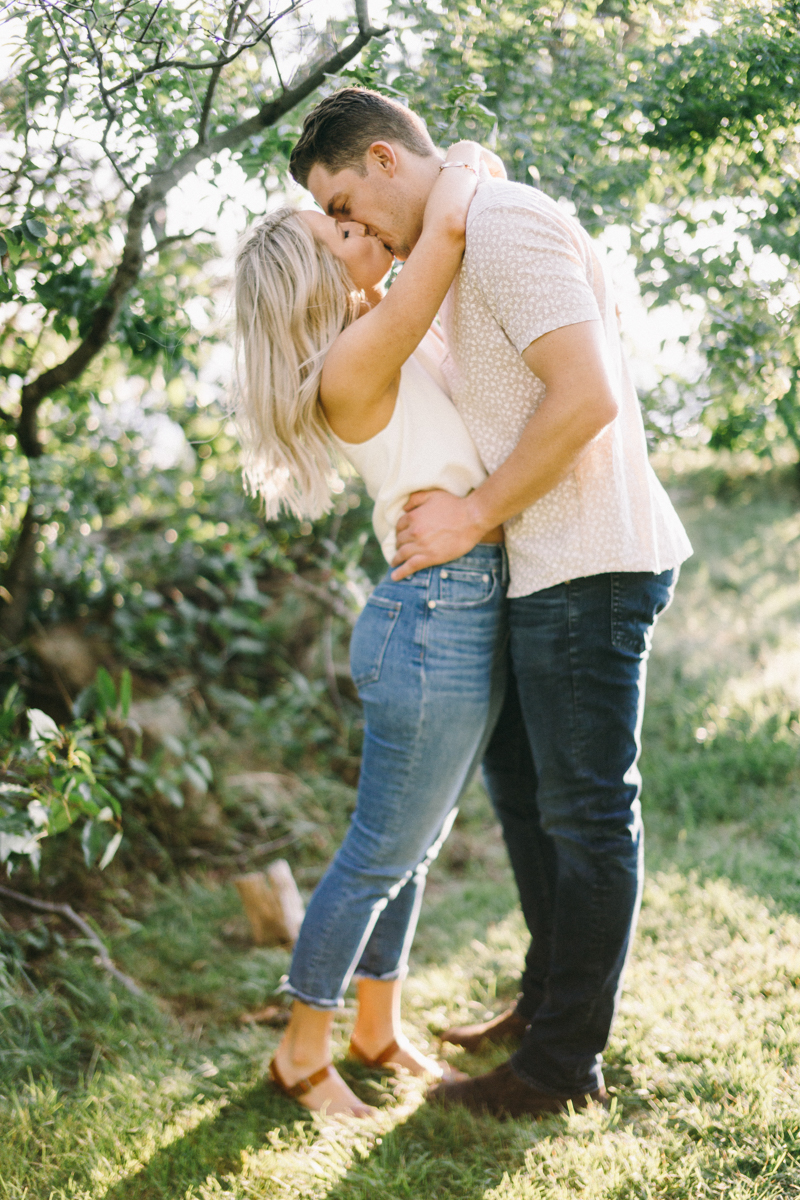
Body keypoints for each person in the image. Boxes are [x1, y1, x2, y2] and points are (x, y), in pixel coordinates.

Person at [289, 87, 693, 1119]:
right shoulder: (453, 234)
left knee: (587, 816)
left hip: (584, 555)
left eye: (344, 202)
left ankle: (560, 1069)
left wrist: (472, 513)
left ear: (382, 159)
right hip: (532, 564)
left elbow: (586, 396)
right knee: (526, 803)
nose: (348, 230)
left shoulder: (501, 226)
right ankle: (544, 1001)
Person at [234, 139, 508, 1118]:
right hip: (430, 620)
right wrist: (467, 161)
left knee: (415, 848)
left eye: (347, 218)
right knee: (375, 855)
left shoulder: (370, 338)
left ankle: (375, 1029)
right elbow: (442, 232)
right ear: (312, 278)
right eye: (334, 230)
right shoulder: (352, 357)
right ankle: (300, 1056)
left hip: (451, 606)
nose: (356, 230)